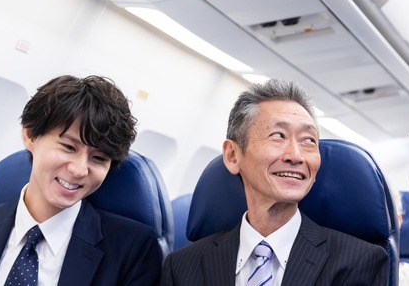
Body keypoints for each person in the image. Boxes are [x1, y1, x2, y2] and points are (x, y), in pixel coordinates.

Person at [161, 78, 388, 285]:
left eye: (309, 140)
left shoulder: (359, 262)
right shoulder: (182, 267)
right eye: (278, 136)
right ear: (232, 155)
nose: (296, 156)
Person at [0, 74, 162, 285]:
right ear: (30, 135)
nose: (79, 170)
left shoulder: (134, 251)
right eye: (69, 147)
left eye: (99, 158)